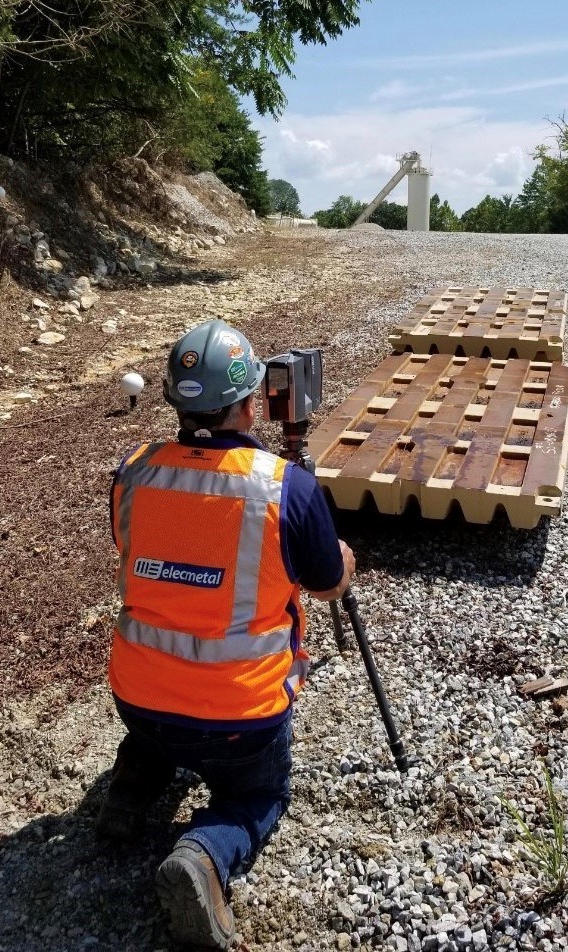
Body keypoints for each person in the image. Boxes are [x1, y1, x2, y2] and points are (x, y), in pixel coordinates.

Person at [98, 319, 355, 950]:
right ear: (249, 401)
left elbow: (132, 550)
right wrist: (343, 556)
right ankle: (204, 855)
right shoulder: (282, 485)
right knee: (259, 797)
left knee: (161, 732)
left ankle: (131, 787)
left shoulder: (132, 472)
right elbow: (325, 586)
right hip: (240, 720)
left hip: (136, 697)